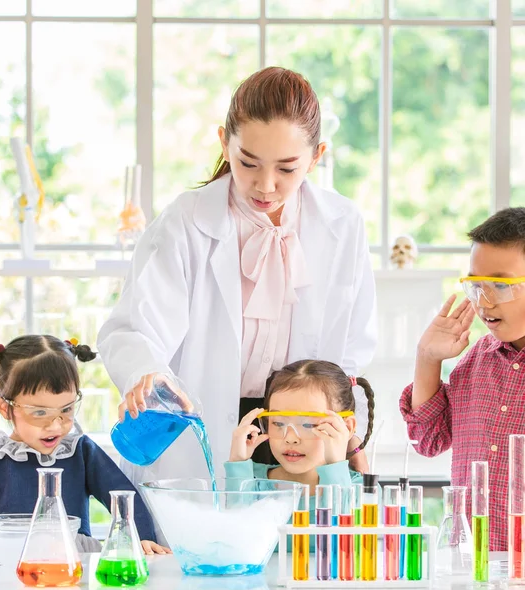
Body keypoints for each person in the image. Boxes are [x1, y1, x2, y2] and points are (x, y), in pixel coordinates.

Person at [98, 66, 377, 492]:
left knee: (302, 553)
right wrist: (146, 374)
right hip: (204, 426)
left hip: (300, 433)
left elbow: (352, 346)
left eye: (287, 169)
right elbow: (135, 327)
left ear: (317, 156)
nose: (266, 185)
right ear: (224, 143)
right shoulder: (186, 221)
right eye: (249, 163)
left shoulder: (342, 224)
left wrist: (348, 435)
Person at [0, 334, 169, 555]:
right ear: (4, 407)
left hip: (71, 562)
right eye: (40, 412)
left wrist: (141, 537)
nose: (55, 425)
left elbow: (122, 495)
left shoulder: (80, 451)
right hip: (6, 561)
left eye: (66, 410)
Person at [399, 207, 525, 551]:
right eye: (475, 285)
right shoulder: (477, 359)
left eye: (500, 285)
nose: (483, 301)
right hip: (473, 565)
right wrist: (428, 358)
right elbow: (428, 441)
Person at [226, 360, 372, 550]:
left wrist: (335, 466)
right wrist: (238, 463)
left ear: (347, 426)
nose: (291, 438)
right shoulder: (250, 481)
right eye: (278, 423)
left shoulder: (362, 489)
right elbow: (237, 543)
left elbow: (343, 548)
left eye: (309, 424)